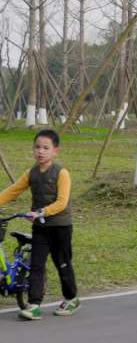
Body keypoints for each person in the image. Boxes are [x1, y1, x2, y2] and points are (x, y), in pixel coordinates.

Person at [0, 129, 80, 320]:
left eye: (46, 148)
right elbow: (12, 191)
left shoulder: (61, 173)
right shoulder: (31, 173)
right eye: (37, 147)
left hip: (60, 226)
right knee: (36, 265)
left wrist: (41, 212)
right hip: (40, 227)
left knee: (62, 263)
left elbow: (62, 202)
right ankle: (34, 304)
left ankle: (71, 298)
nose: (40, 151)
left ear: (55, 151)